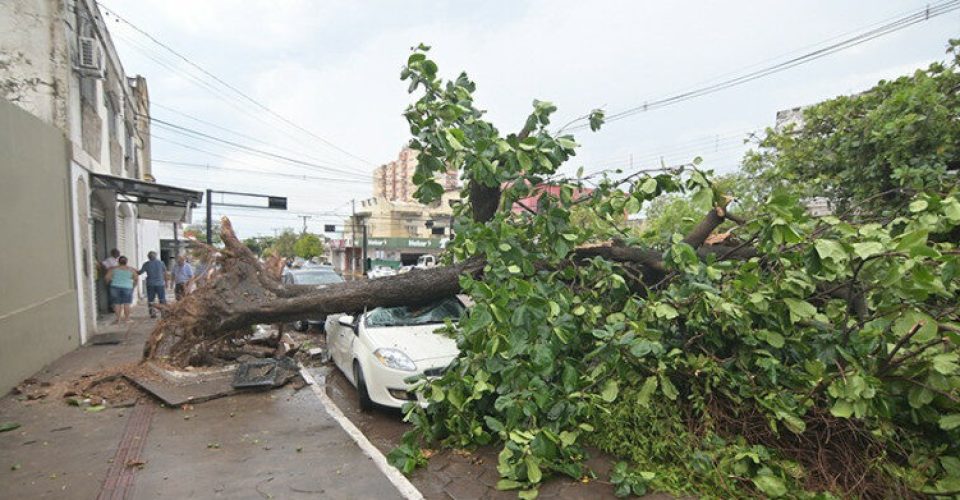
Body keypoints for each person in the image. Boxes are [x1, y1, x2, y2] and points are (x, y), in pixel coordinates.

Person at [105, 256, 138, 324]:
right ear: (126, 262)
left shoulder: (113, 269)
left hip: (115, 287)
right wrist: (133, 286)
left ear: (118, 262)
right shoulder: (131, 269)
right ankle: (127, 319)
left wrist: (108, 283)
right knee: (127, 303)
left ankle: (118, 319)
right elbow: (136, 279)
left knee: (117, 304)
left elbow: (107, 278)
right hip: (127, 287)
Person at [138, 251, 167, 318]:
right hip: (160, 284)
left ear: (148, 257)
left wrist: (133, 270)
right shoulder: (161, 263)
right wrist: (166, 282)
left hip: (150, 284)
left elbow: (140, 272)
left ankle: (152, 313)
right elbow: (165, 272)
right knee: (162, 299)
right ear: (156, 256)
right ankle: (163, 313)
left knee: (151, 299)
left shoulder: (146, 264)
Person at [100, 248, 120, 313]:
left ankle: (116, 307)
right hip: (111, 279)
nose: (118, 254)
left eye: (118, 253)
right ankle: (111, 308)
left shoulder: (117, 260)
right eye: (117, 253)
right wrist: (106, 271)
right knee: (112, 294)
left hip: (117, 279)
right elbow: (102, 264)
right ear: (113, 253)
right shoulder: (109, 260)